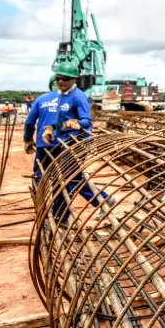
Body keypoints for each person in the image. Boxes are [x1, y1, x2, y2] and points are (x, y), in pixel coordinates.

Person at [44, 63, 116, 224]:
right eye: (58, 78)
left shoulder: (78, 96)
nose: (61, 81)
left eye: (65, 79)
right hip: (65, 142)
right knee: (74, 179)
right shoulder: (62, 95)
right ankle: (104, 200)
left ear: (73, 79)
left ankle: (61, 216)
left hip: (78, 144)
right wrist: (51, 128)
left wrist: (77, 123)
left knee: (66, 180)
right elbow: (62, 120)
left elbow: (86, 120)